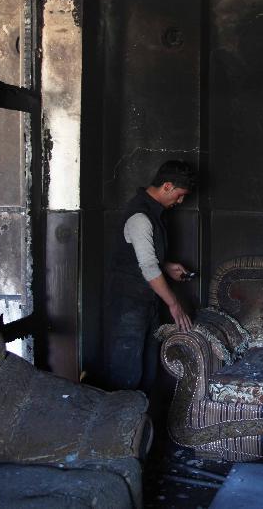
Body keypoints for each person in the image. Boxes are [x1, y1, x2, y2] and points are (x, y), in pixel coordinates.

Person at [104, 160, 195, 391]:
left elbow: (147, 259)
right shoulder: (140, 217)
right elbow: (148, 268)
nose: (180, 201)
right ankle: (124, 426)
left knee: (148, 373)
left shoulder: (154, 213)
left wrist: (166, 266)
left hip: (146, 303)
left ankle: (144, 425)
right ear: (167, 186)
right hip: (129, 305)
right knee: (128, 373)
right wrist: (174, 304)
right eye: (180, 195)